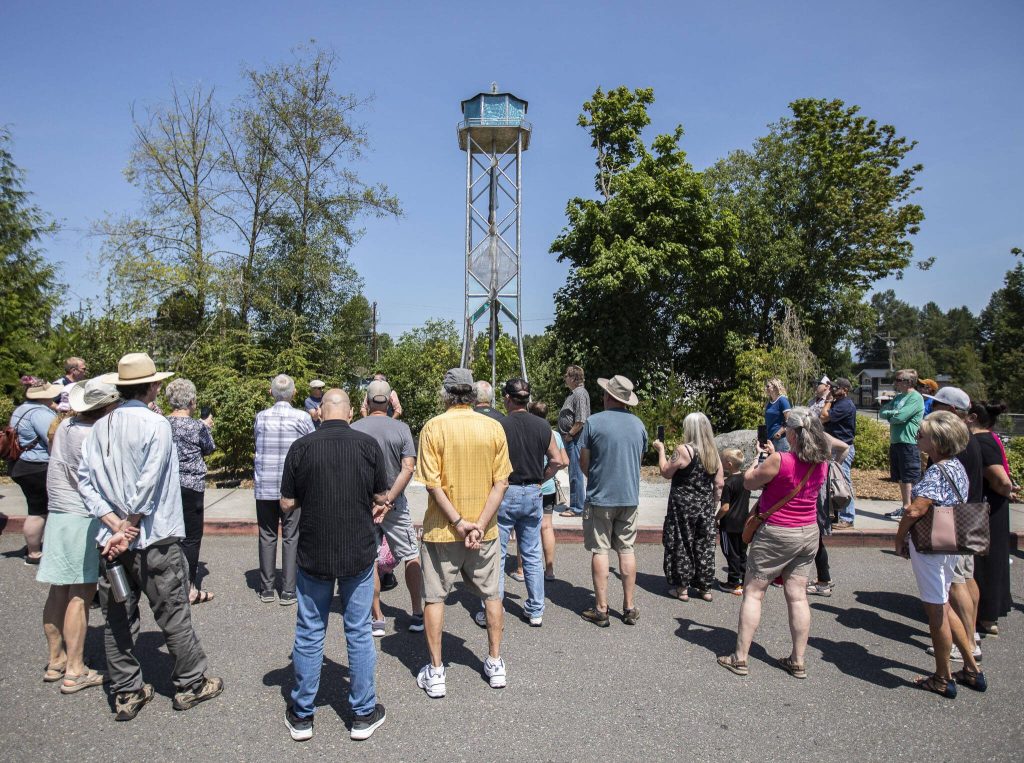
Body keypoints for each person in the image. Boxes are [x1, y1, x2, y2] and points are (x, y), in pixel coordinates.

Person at [78, 352, 223, 721]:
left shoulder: (99, 427)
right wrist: (130, 523)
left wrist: (111, 522)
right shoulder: (155, 425)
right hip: (151, 536)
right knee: (172, 610)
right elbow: (150, 480)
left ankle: (126, 690)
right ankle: (190, 683)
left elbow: (84, 481)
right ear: (153, 386)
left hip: (111, 540)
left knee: (118, 616)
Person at [279, 389, 389, 742]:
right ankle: (362, 713)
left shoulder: (301, 448)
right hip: (356, 551)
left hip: (313, 552)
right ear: (349, 412)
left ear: (321, 412)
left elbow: (286, 502)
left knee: (311, 631)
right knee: (358, 631)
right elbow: (382, 495)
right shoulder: (367, 446)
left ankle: (302, 716)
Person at [414, 368, 512, 697]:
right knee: (492, 594)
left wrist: (458, 522)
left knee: (435, 596)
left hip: (443, 529)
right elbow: (501, 482)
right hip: (485, 529)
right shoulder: (493, 427)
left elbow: (432, 484)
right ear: (472, 393)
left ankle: (437, 672)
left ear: (445, 393)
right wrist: (480, 524)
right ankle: (495, 662)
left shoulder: (433, 427)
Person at [717, 407, 833, 680]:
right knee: (797, 596)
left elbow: (748, 482)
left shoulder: (780, 460)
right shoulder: (822, 461)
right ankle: (798, 659)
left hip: (777, 532)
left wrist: (760, 459)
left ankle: (741, 657)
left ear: (793, 433)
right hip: (807, 533)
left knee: (754, 592)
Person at [893, 411, 987, 697]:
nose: (918, 436)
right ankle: (971, 668)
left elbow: (915, 509)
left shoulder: (936, 471)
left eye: (923, 433)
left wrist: (900, 538)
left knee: (936, 611)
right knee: (944, 604)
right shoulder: (955, 466)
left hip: (930, 546)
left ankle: (942, 677)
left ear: (938, 441)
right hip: (950, 543)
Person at [36, 378, 120, 693]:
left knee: (58, 590)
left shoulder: (66, 427)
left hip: (57, 513)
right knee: (80, 594)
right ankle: (75, 668)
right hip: (82, 517)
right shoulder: (91, 435)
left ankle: (56, 659)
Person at [474, 379, 563, 628]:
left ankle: (493, 609)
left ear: (506, 398)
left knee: (497, 555)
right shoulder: (543, 426)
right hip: (533, 491)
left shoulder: (499, 425)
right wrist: (541, 477)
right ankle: (536, 609)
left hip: (505, 490)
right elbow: (558, 460)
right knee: (532, 553)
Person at [351, 377, 424, 634]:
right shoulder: (401, 428)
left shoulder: (355, 428)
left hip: (365, 504)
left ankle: (377, 616)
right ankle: (417, 613)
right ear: (390, 401)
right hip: (395, 503)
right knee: (411, 554)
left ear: (368, 401)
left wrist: (375, 500)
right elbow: (408, 468)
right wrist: (390, 498)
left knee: (369, 559)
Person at [578, 375, 647, 627]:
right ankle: (629, 606)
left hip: (600, 495)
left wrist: (594, 477)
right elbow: (638, 461)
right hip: (629, 496)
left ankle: (601, 608)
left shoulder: (593, 423)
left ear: (608, 396)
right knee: (626, 549)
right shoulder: (638, 425)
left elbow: (583, 461)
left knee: (600, 549)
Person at [922, 386, 984, 663]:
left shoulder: (954, 445)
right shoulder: (966, 439)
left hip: (952, 523)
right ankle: (972, 634)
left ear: (953, 412)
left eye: (937, 405)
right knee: (965, 579)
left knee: (954, 585)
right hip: (966, 517)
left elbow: (921, 504)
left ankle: (967, 644)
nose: (932, 409)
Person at [254, 374, 314, 605]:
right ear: (294, 393)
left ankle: (266, 588)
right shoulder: (302, 418)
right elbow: (310, 448)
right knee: (291, 535)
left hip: (264, 485)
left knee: (267, 535)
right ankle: (289, 590)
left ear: (271, 393)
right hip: (291, 487)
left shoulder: (261, 417)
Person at [653, 412, 724, 602]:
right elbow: (719, 483)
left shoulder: (684, 450)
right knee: (704, 545)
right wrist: (713, 504)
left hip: (683, 504)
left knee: (682, 542)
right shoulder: (713, 452)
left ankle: (682, 588)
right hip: (705, 504)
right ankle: (705, 587)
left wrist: (661, 450)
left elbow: (666, 472)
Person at [165, 377, 216, 604]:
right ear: (192, 401)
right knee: (192, 538)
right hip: (192, 486)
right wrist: (206, 427)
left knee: (171, 536)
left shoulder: (161, 423)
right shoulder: (197, 426)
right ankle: (189, 587)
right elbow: (209, 448)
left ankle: (169, 585)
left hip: (167, 485)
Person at [966, 401, 1014, 637]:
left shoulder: (981, 442)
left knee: (985, 562)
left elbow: (1001, 479)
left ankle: (986, 615)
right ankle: (986, 614)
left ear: (973, 417)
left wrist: (1007, 490)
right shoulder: (991, 438)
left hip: (988, 508)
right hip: (992, 506)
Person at [9, 376, 60, 564]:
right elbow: (53, 438)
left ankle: (33, 546)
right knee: (38, 510)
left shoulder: (21, 409)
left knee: (36, 507)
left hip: (22, 464)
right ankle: (34, 552)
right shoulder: (40, 413)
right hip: (36, 465)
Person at [515, 401, 566, 581]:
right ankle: (549, 569)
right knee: (546, 526)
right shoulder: (555, 435)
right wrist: (549, 475)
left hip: (531, 484)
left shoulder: (528, 431)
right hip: (548, 487)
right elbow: (564, 461)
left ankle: (521, 570)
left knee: (524, 527)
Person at [881, 369, 925, 520]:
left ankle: (911, 508)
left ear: (908, 382)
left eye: (898, 380)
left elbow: (900, 417)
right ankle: (905, 506)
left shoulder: (916, 398)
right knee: (900, 477)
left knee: (909, 477)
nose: (895, 383)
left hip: (909, 443)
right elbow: (882, 411)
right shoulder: (899, 397)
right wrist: (891, 414)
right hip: (896, 442)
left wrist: (892, 415)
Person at [821, 377, 858, 528]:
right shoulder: (838, 403)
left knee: (843, 481)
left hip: (843, 449)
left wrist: (828, 400)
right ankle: (837, 514)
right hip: (834, 447)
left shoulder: (845, 405)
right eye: (832, 387)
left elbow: (823, 417)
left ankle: (848, 517)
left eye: (836, 388)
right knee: (832, 481)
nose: (833, 390)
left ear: (845, 390)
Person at [716, 448, 750, 595]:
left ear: (729, 464)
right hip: (743, 522)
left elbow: (725, 507)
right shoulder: (746, 480)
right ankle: (745, 580)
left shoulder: (728, 483)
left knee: (731, 553)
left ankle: (733, 582)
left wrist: (715, 518)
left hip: (729, 524)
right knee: (742, 552)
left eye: (722, 461)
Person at [557, 365, 590, 518]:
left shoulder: (579, 394)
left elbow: (581, 419)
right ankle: (576, 504)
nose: (565, 378)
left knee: (575, 473)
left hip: (576, 439)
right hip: (572, 439)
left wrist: (570, 434)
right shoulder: (576, 394)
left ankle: (577, 507)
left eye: (566, 376)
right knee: (573, 472)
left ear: (573, 377)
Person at [764, 378, 792, 453]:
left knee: (781, 462)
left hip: (781, 439)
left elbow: (789, 419)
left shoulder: (782, 400)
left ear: (775, 387)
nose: (765, 388)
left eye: (768, 386)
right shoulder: (769, 403)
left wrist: (780, 432)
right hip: (770, 438)